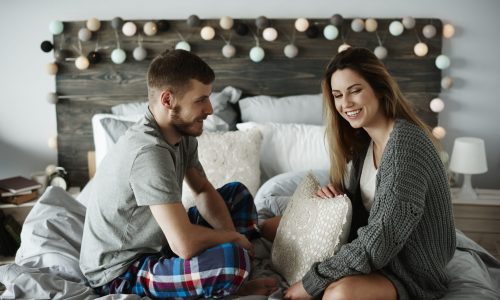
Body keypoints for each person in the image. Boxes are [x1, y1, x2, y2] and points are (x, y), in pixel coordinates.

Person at [79, 49, 277, 298]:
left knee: (236, 194)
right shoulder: (149, 153)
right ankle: (228, 283)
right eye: (200, 99)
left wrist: (231, 236)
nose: (210, 109)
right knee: (231, 261)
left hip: (159, 242)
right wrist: (233, 241)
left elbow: (203, 189)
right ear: (167, 100)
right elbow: (183, 244)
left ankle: (223, 278)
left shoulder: (182, 134)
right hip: (120, 271)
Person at [263, 47, 456, 300]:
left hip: (409, 270)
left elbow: (382, 238)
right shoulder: (363, 143)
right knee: (271, 227)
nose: (346, 104)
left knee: (339, 294)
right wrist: (337, 199)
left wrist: (310, 283)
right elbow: (366, 213)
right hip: (377, 257)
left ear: (379, 88)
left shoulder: (405, 145)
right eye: (338, 95)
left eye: (355, 90)